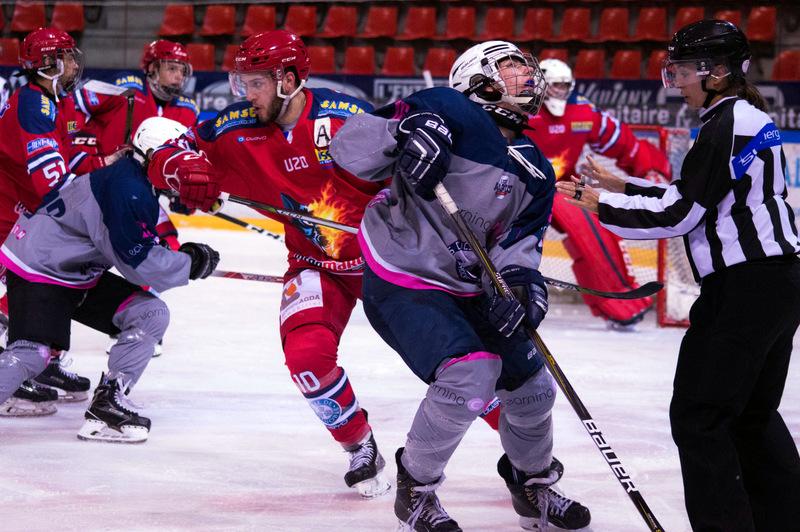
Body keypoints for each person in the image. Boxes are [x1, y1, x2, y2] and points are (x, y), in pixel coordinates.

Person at [330, 40, 592, 531]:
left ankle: (532, 484)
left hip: (472, 287)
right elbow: (348, 148)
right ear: (479, 78)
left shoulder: (535, 164)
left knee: (533, 386)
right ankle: (417, 490)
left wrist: (521, 283)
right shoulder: (446, 106)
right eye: (513, 68)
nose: (527, 78)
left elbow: (519, 241)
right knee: (471, 374)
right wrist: (404, 132)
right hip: (405, 276)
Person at [556, 20, 800, 531]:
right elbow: (699, 195)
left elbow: (681, 214)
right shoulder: (748, 117)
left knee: (700, 418)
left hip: (744, 290)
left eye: (685, 69)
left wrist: (602, 204)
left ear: (718, 72)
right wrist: (621, 185)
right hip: (775, 283)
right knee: (752, 416)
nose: (677, 80)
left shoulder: (725, 125)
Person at [145, 30, 393, 498]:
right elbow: (165, 149)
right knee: (306, 359)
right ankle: (359, 443)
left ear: (289, 79)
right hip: (314, 266)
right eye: (242, 83)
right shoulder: (236, 129)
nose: (245, 94)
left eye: (255, 83)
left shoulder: (349, 119)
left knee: (453, 360)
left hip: (388, 263)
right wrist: (175, 168)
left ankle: (525, 452)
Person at [0, 116, 219, 443]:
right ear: (152, 153)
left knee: (149, 313)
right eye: (175, 153)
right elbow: (139, 264)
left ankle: (107, 402)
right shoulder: (128, 189)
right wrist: (190, 263)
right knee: (32, 353)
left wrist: (178, 256)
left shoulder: (135, 180)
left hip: (74, 271)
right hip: (40, 267)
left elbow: (133, 244)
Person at [0, 28, 129, 415]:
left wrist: (104, 165)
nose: (75, 64)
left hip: (22, 213)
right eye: (68, 57)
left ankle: (42, 363)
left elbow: (65, 164)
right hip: (9, 216)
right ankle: (22, 371)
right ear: (48, 64)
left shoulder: (50, 102)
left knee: (43, 285)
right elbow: (52, 182)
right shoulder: (33, 106)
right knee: (36, 286)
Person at [526, 58, 673, 330]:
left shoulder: (582, 112)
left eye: (565, 85)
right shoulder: (520, 108)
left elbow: (622, 142)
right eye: (556, 85)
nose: (562, 91)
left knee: (596, 232)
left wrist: (650, 168)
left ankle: (619, 303)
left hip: (562, 186)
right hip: (521, 188)